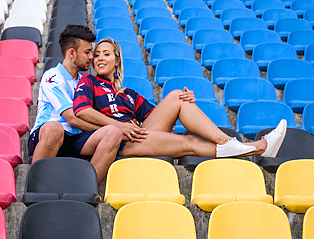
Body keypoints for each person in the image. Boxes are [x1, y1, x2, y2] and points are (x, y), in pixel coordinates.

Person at [72, 38, 288, 160]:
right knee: (190, 142)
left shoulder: (129, 94)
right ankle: (255, 147)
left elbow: (161, 122)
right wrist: (120, 127)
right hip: (119, 142)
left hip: (137, 134)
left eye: (106, 54)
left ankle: (232, 143)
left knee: (177, 96)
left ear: (117, 60)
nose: (100, 58)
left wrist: (187, 101)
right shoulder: (88, 82)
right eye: (97, 54)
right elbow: (81, 111)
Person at [27, 24, 123, 181]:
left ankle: (86, 187)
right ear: (71, 53)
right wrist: (106, 125)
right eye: (87, 52)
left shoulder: (86, 82)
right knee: (54, 128)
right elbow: (71, 118)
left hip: (76, 138)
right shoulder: (53, 76)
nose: (92, 57)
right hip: (48, 136)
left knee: (113, 133)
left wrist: (119, 127)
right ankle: (36, 184)